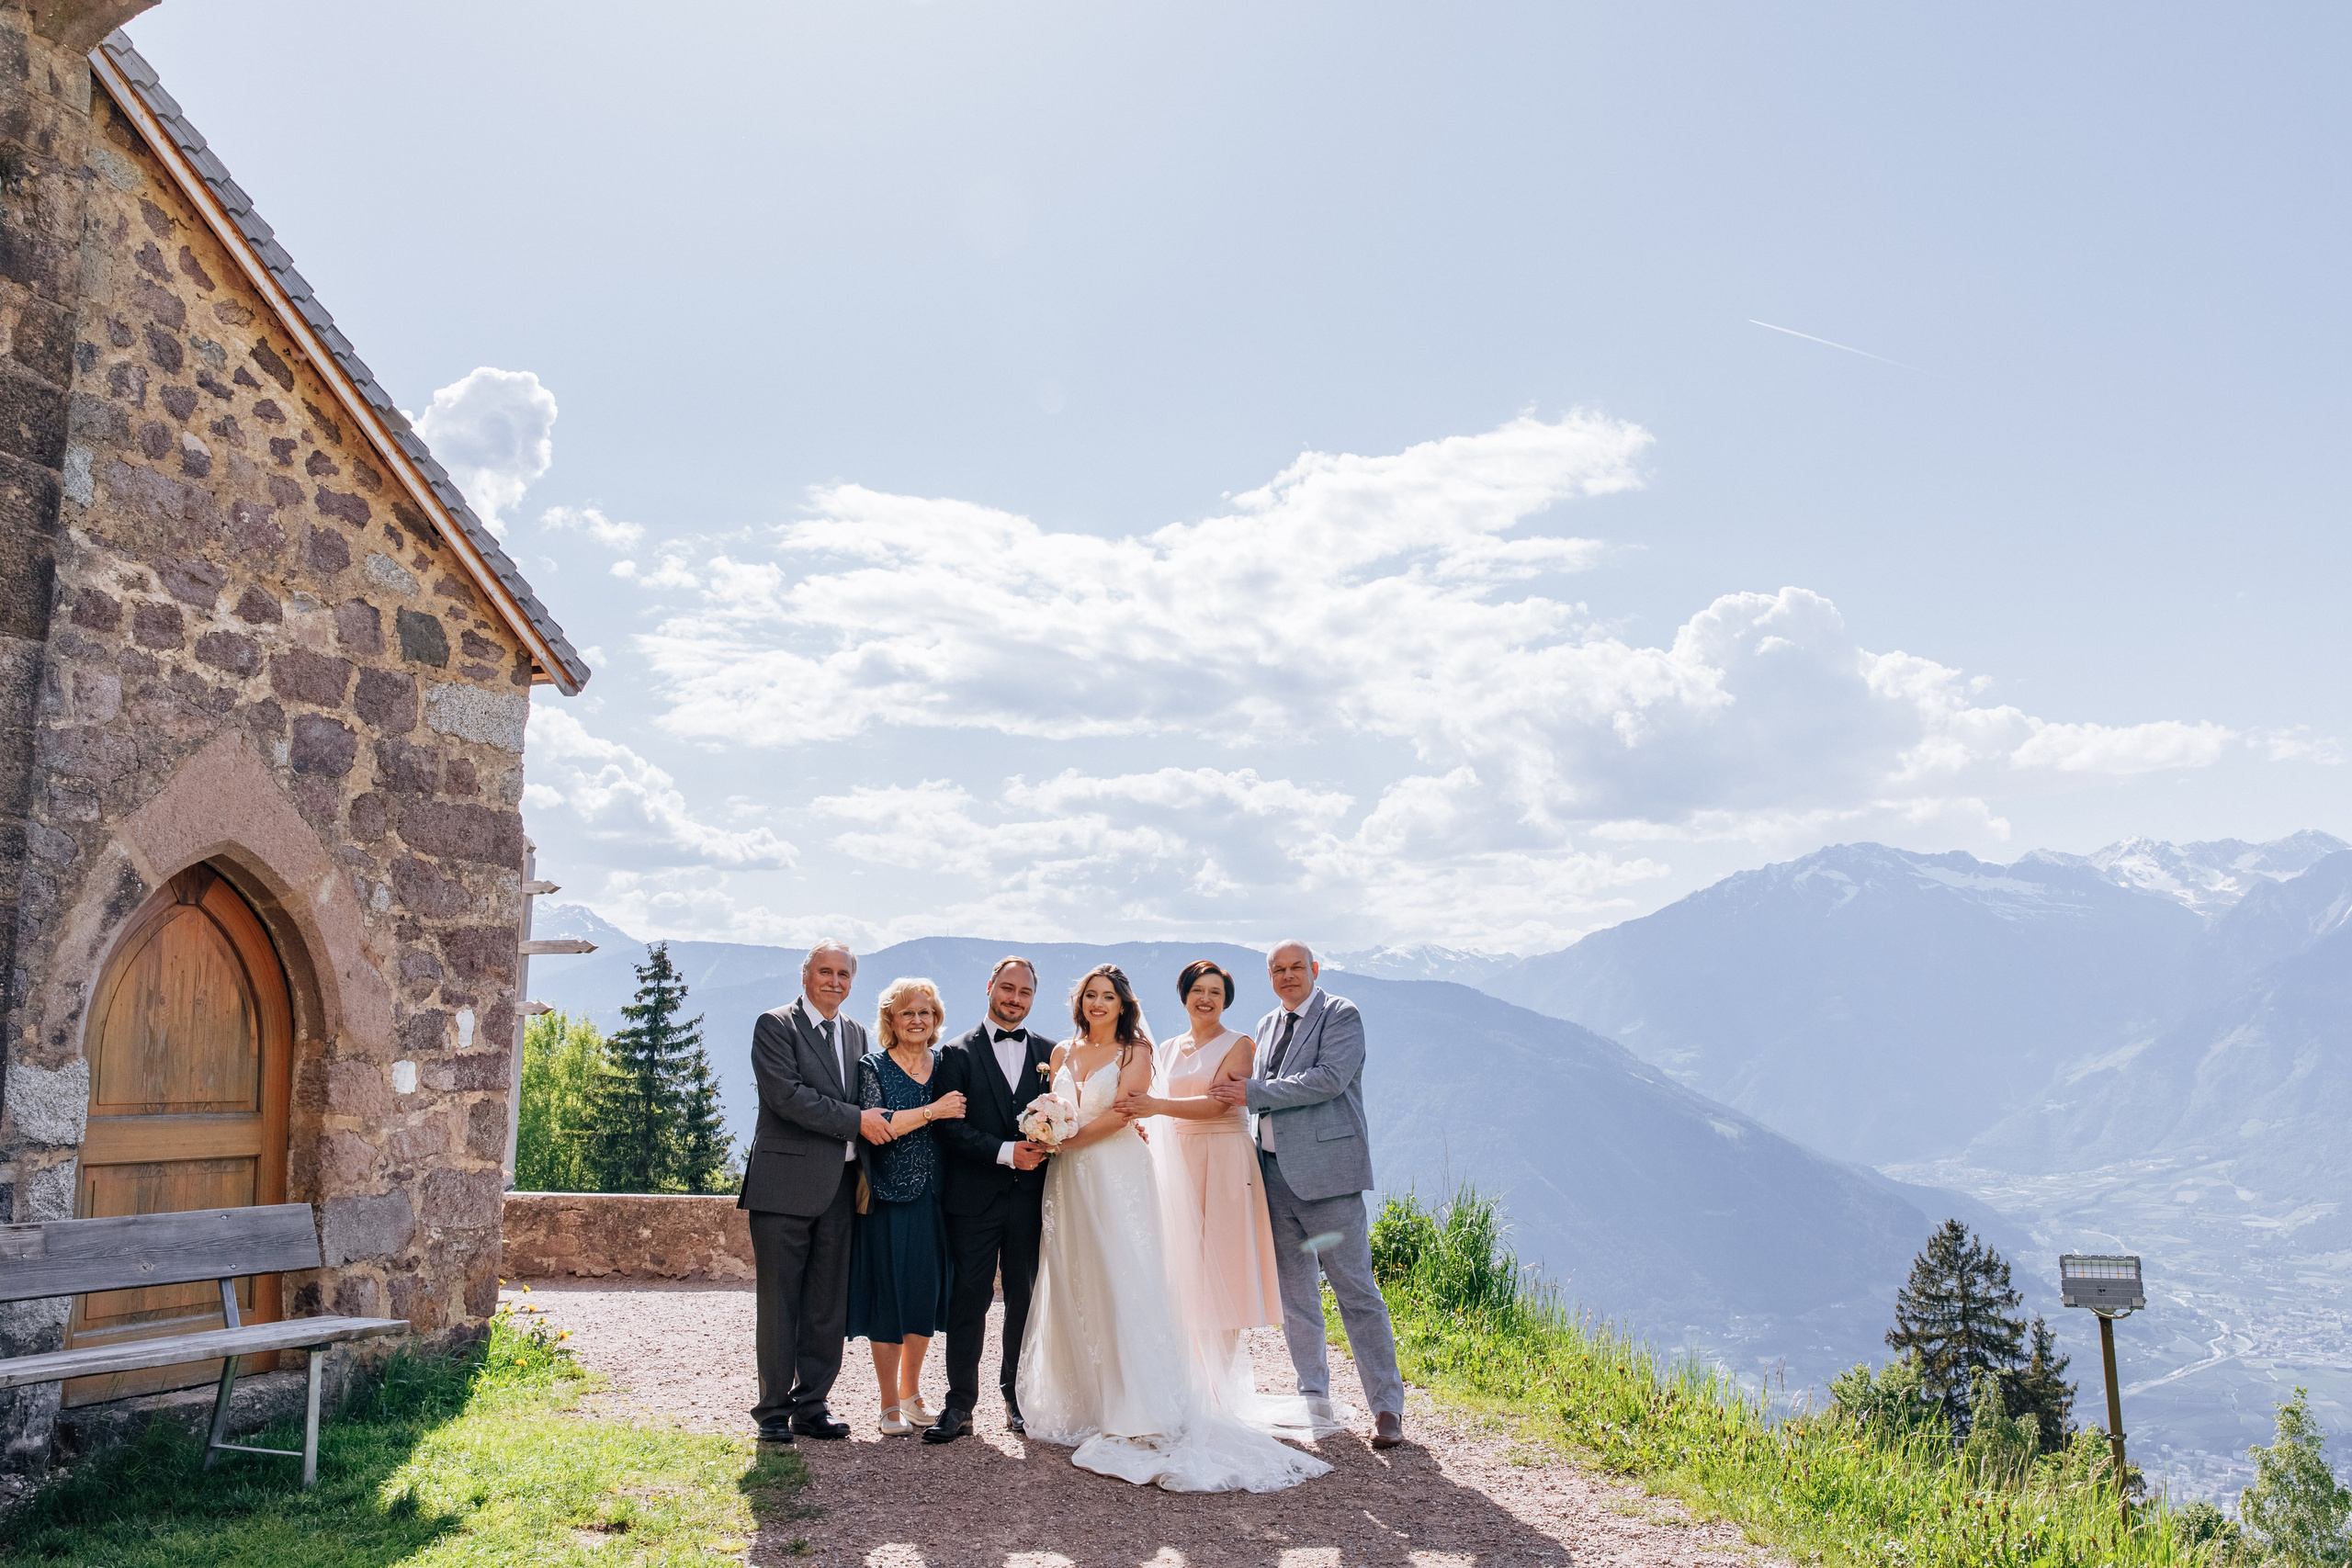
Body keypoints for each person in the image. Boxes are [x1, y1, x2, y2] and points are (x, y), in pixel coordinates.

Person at [1016, 964, 1329, 1493]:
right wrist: (1046, 1129)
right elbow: (1074, 1107)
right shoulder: (1062, 1054)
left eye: (1108, 997)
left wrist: (1059, 1141)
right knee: (1076, 1276)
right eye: (1090, 995)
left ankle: (1142, 1401)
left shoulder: (1138, 1051)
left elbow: (1124, 1112)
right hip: (1068, 1180)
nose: (1098, 1004)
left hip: (1117, 1173)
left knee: (1127, 1280)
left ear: (1124, 1004)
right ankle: (1086, 1397)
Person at [1208, 940, 1407, 1449]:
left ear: (1315, 970)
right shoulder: (1267, 1024)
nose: (1288, 976)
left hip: (1329, 1179)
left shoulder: (1341, 1015)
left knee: (1356, 1293)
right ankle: (1313, 1397)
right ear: (1269, 975)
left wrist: (1253, 1093)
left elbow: (1328, 1080)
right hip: (1272, 1176)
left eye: (1297, 967)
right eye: (1278, 969)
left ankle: (1386, 1407)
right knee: (1296, 1298)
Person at [740, 941, 896, 1444]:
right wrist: (856, 1121)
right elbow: (786, 1097)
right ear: (805, 974)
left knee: (827, 1305)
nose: (834, 982)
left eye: (843, 975)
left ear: (852, 981)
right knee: (780, 1302)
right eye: (825, 972)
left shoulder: (855, 1032)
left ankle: (812, 1405)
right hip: (783, 1187)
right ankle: (771, 1412)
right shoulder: (775, 1025)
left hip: (841, 1188)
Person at [1114, 959, 1284, 1412]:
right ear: (1184, 994)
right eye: (1198, 990)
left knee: (1223, 1269)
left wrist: (1154, 1105)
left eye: (1216, 992)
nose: (1206, 998)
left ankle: (1218, 1390)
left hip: (1225, 1159)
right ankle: (1185, 1379)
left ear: (1226, 1001)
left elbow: (1218, 1105)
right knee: (1182, 1269)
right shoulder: (1167, 1047)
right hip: (1177, 1160)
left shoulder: (1240, 1044)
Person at [923, 956, 1057, 1443]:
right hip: (974, 1200)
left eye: (1024, 992)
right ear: (989, 988)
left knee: (1024, 1299)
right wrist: (1006, 1153)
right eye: (1007, 988)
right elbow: (949, 1128)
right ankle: (959, 1404)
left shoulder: (1050, 1053)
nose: (1014, 998)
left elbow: (1068, 1116)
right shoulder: (955, 1053)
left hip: (1030, 1201)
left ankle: (1017, 1399)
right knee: (969, 1302)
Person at [848, 976, 967, 1435]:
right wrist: (934, 1111)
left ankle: (911, 1392)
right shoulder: (873, 1067)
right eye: (907, 1013)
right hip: (890, 1198)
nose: (917, 1020)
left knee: (924, 1295)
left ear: (936, 1020)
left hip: (939, 1197)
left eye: (925, 1013)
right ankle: (886, 1404)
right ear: (891, 1020)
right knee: (889, 1298)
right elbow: (879, 1127)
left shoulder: (946, 1065)